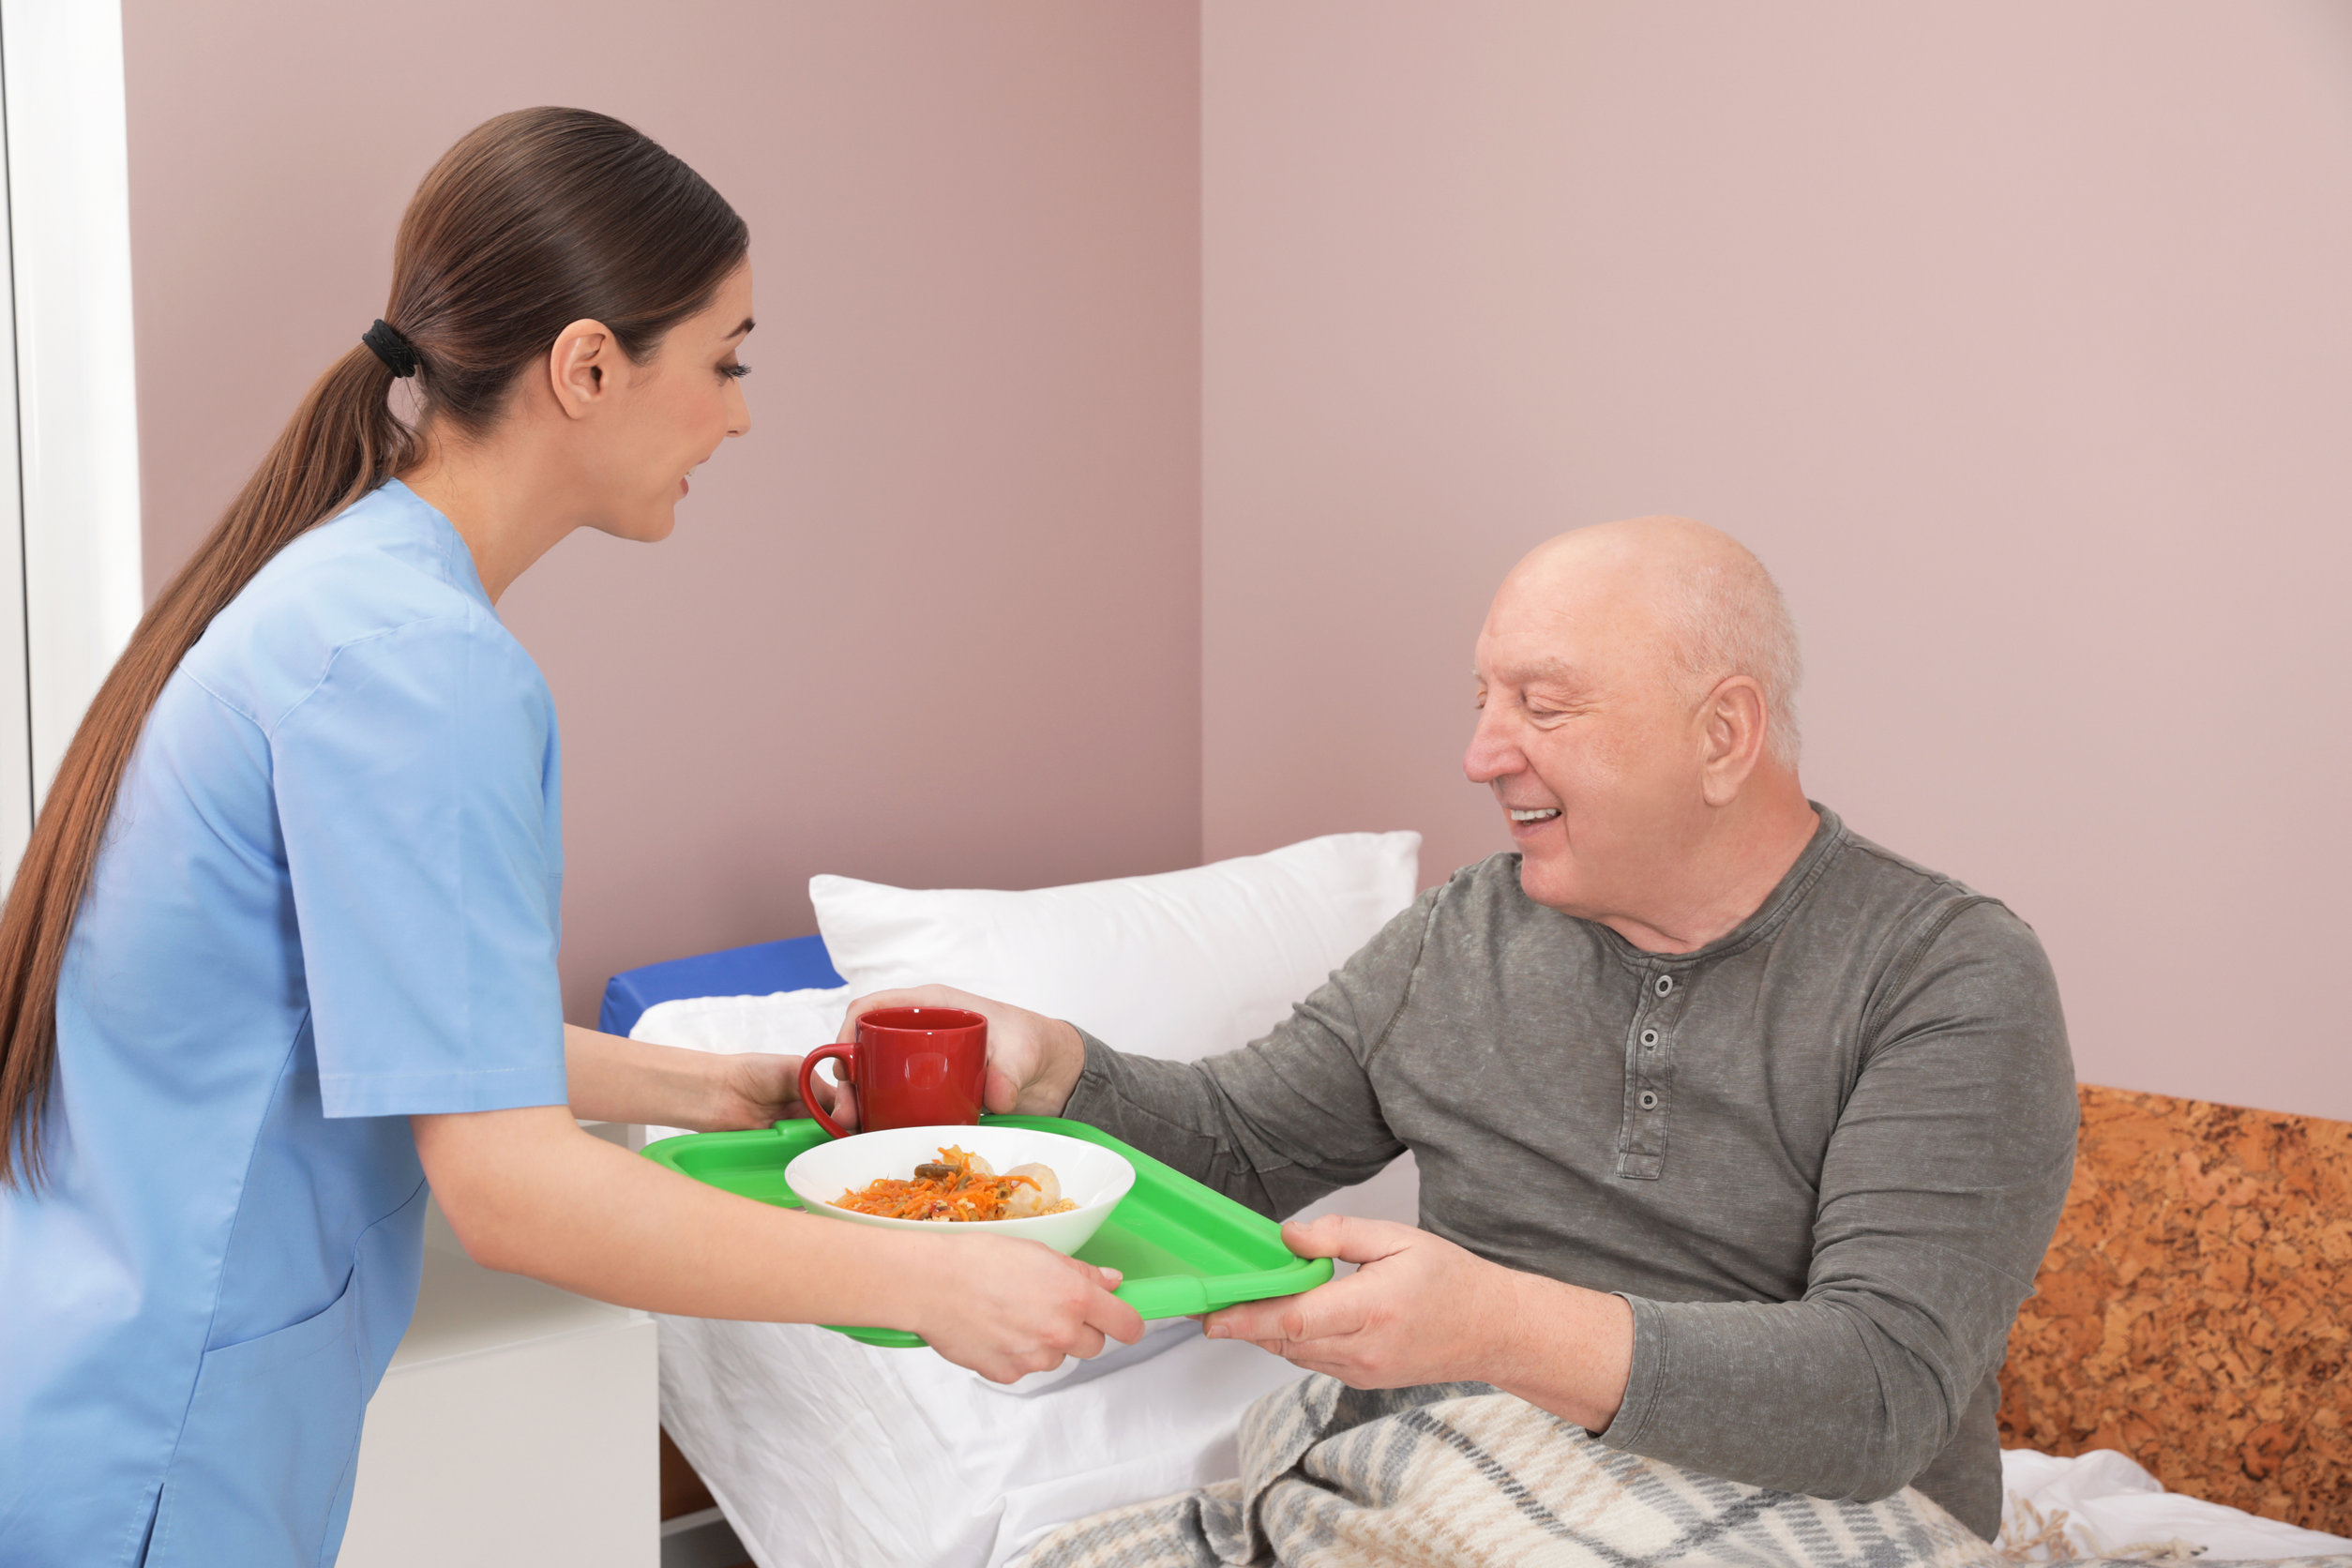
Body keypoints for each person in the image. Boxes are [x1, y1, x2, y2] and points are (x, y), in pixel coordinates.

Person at [0, 108, 1138, 1568]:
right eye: (725, 361)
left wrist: (723, 1087)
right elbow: (512, 1189)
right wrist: (926, 1284)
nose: (738, 415)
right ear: (590, 366)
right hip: (156, 1449)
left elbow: (403, 1030)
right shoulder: (421, 666)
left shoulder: (344, 596)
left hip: (102, 1385)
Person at [835, 516, 2078, 1540]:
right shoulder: (1459, 936)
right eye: (1485, 702)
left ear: (1722, 735)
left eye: (1543, 707)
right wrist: (1058, 1070)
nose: (1482, 754)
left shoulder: (1946, 976)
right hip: (1441, 1485)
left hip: (1793, 1515)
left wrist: (1491, 1326)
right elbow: (1241, 1145)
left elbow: (1878, 1394)